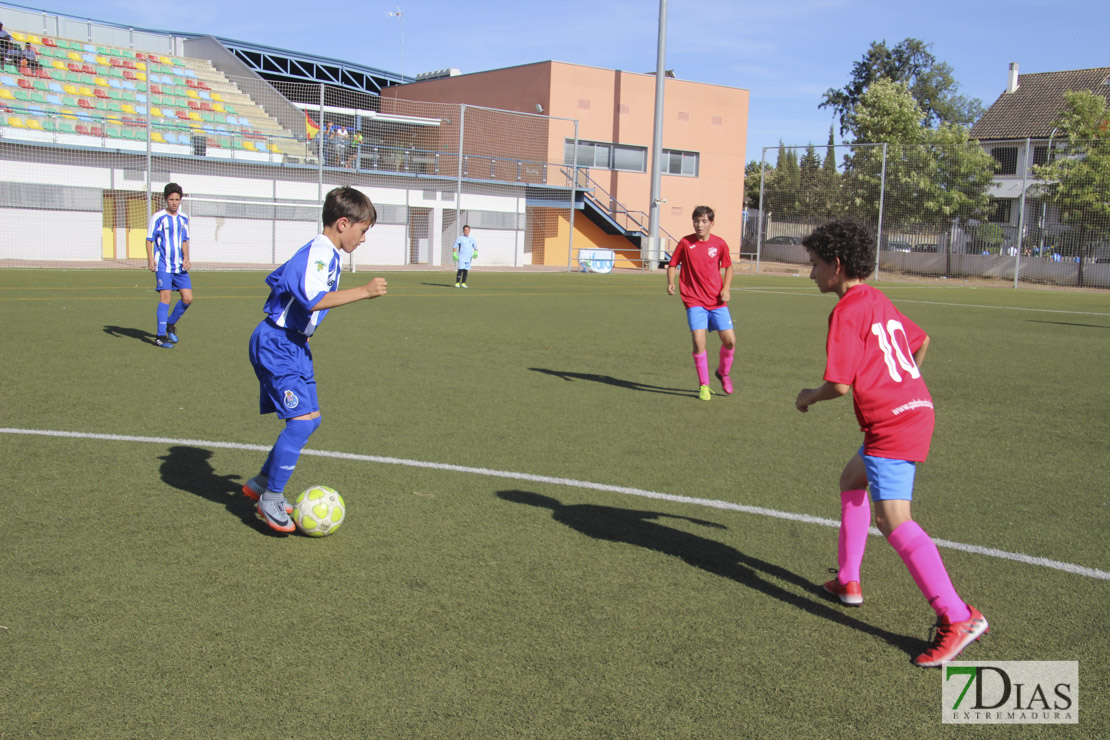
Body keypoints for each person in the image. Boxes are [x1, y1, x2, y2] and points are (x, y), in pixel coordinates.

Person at [794, 218, 988, 668]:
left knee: (894, 519)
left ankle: (957, 616)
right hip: (913, 409)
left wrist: (808, 397)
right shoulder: (877, 298)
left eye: (815, 264)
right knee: (851, 479)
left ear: (837, 266)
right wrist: (903, 384)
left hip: (893, 424)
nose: (811, 273)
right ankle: (847, 580)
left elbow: (838, 385)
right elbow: (921, 341)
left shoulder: (845, 310)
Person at [242, 186, 387, 533]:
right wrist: (364, 292)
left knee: (311, 420)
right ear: (342, 224)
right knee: (302, 423)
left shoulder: (327, 253)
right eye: (363, 230)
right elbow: (312, 299)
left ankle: (261, 483)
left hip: (293, 345)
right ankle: (271, 498)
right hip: (278, 344)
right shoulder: (320, 252)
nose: (364, 239)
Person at [666, 205, 736, 401]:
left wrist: (726, 289)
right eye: (697, 221)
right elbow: (672, 265)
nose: (700, 225)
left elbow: (728, 267)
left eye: (704, 221)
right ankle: (704, 385)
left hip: (716, 300)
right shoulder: (685, 243)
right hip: (693, 299)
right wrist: (671, 282)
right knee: (698, 340)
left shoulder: (720, 244)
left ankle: (723, 373)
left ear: (712, 223)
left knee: (730, 341)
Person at [145, 182, 192, 348]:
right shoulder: (158, 217)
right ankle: (160, 336)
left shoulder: (183, 218)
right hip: (163, 265)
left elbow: (184, 240)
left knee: (188, 298)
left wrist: (187, 258)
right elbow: (149, 239)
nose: (174, 202)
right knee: (166, 298)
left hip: (179, 266)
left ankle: (171, 323)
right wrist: (150, 259)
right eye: (171, 199)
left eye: (177, 199)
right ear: (166, 199)